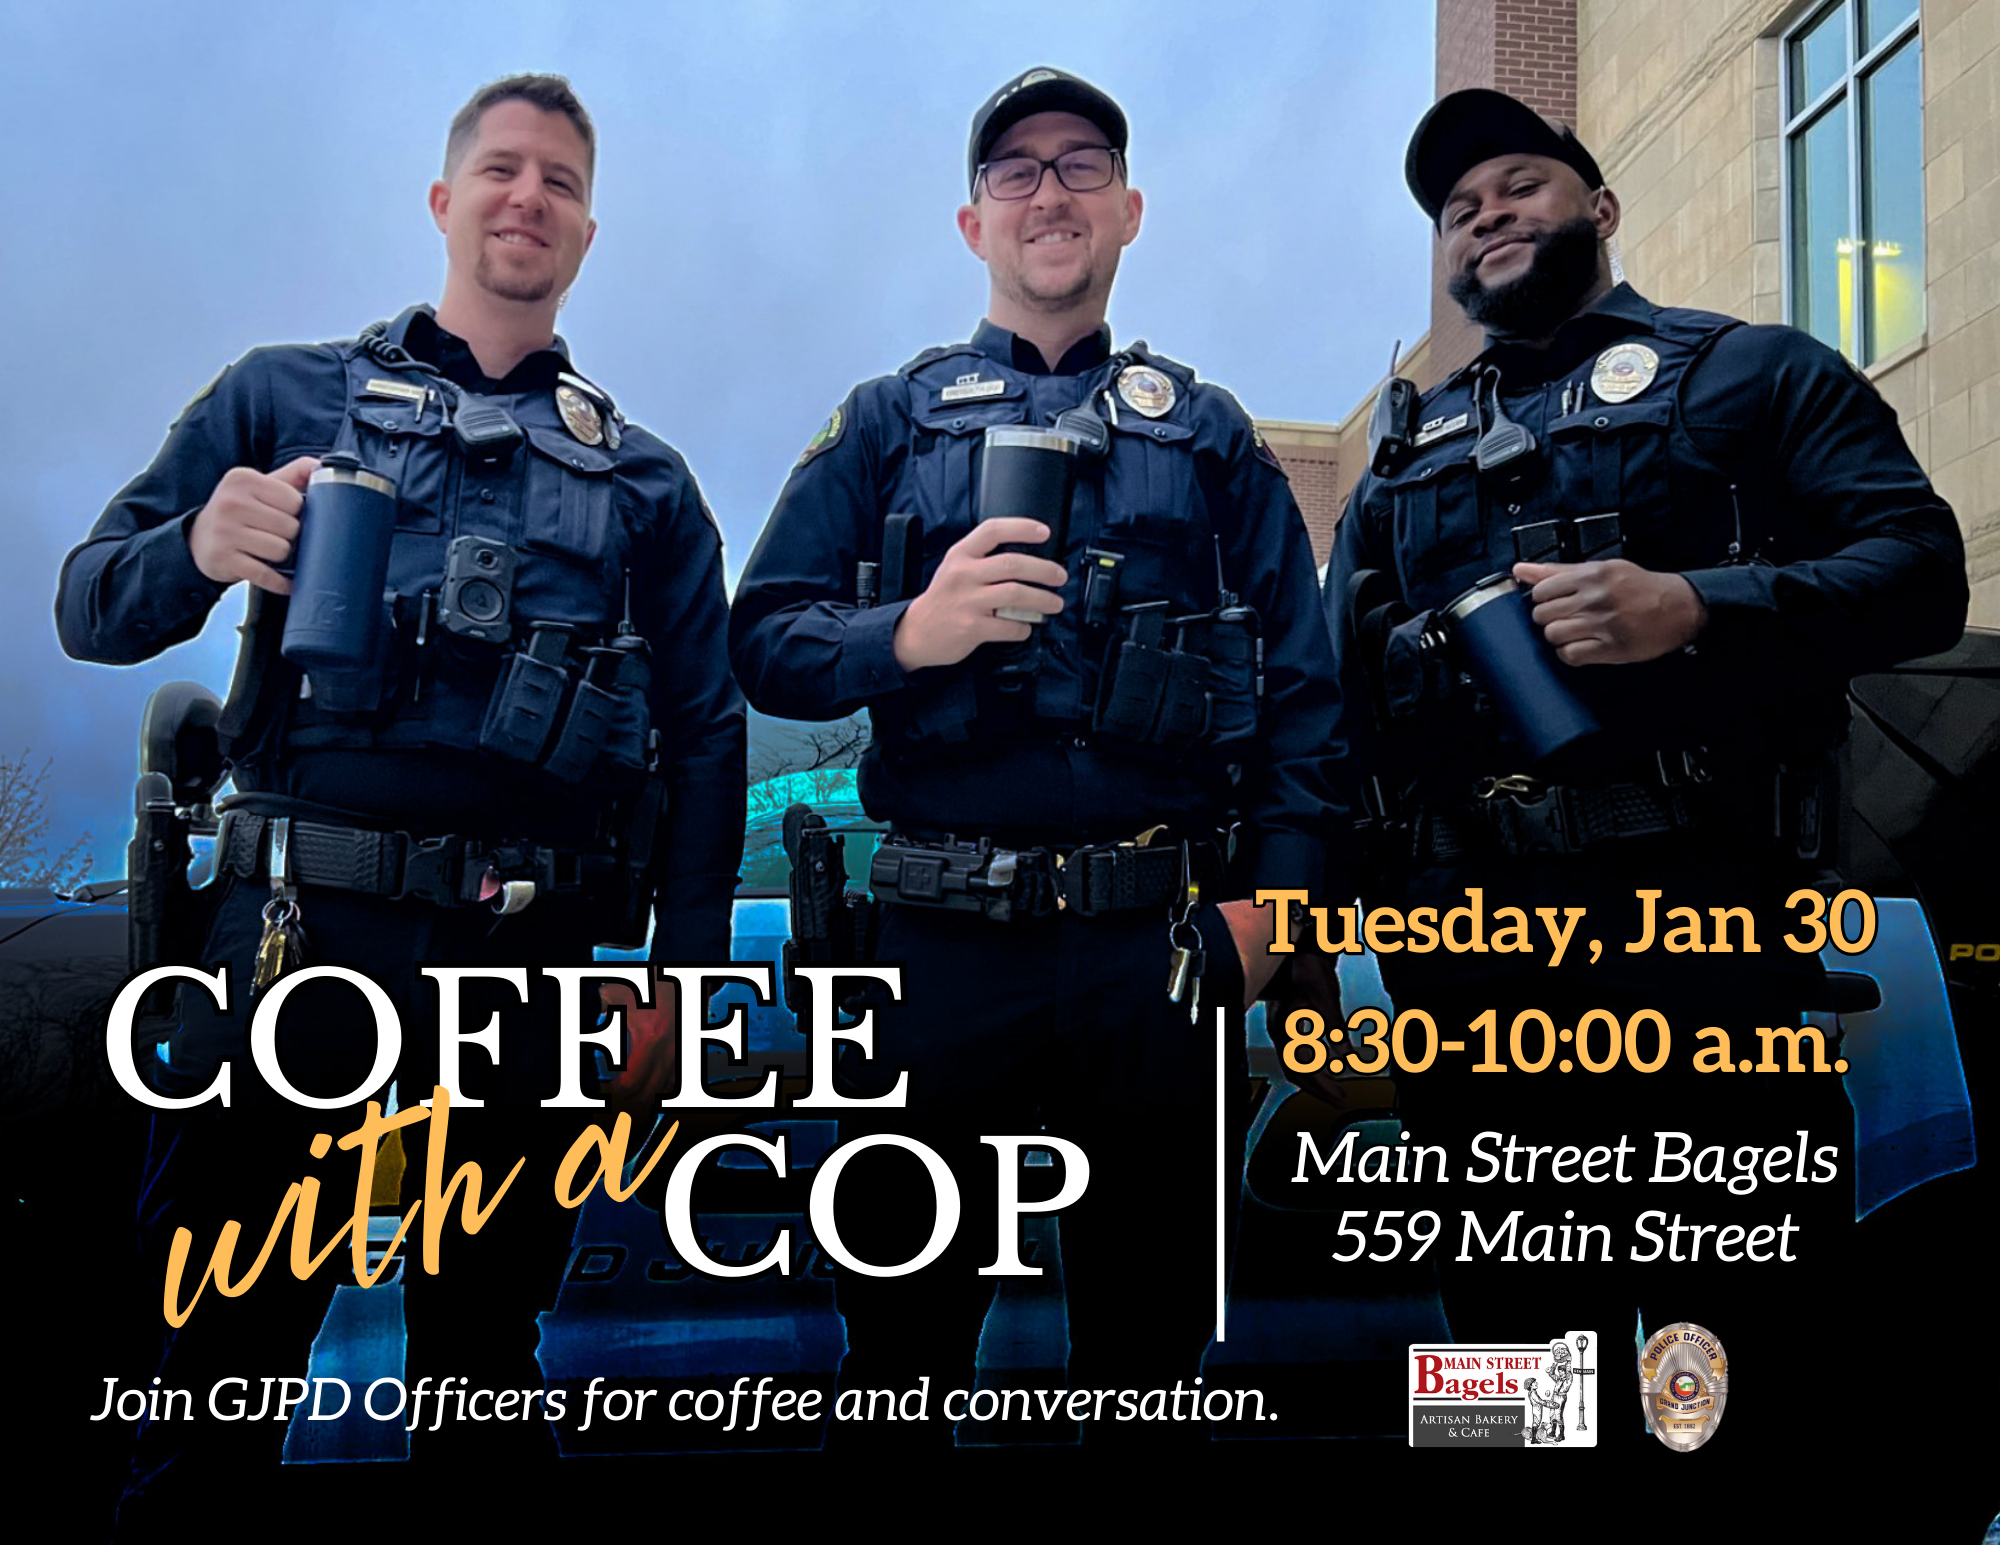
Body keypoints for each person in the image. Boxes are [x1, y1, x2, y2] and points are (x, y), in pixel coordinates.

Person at [55, 74, 743, 1520]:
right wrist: (196, 542)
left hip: (524, 967)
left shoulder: (650, 486)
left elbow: (704, 737)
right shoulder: (281, 394)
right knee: (213, 1374)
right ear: (445, 200)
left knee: (485, 1375)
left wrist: (679, 980)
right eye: (500, 170)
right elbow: (90, 606)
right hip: (297, 941)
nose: (526, 198)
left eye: (557, 180)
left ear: (587, 228)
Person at [1312, 88, 1966, 1461]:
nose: (1484, 213)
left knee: (1727, 1339)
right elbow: (1339, 712)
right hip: (1469, 957)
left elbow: (1918, 575)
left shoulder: (1756, 373)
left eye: (1518, 183)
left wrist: (1699, 605)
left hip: (1704, 935)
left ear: (1601, 209)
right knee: (1502, 1352)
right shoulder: (1398, 461)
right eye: (1455, 207)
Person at [729, 66, 1341, 1446]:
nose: (1049, 191)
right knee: (898, 1342)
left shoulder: (1211, 435)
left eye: (1081, 165)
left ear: (1129, 210)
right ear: (972, 224)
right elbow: (761, 639)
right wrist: (914, 631)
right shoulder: (887, 423)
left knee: (1151, 1340)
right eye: (1015, 170)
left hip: (1160, 950)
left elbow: (1307, 706)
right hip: (941, 947)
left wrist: (1274, 912)